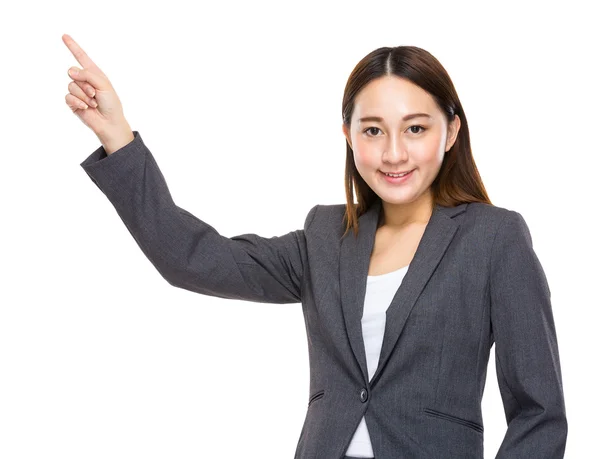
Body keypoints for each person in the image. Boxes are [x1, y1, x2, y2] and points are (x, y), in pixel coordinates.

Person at [63, 34, 568, 458]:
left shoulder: (494, 238)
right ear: (349, 135)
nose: (394, 153)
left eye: (416, 128)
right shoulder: (327, 238)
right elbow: (191, 258)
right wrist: (118, 138)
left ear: (451, 130)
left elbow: (539, 413)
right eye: (374, 130)